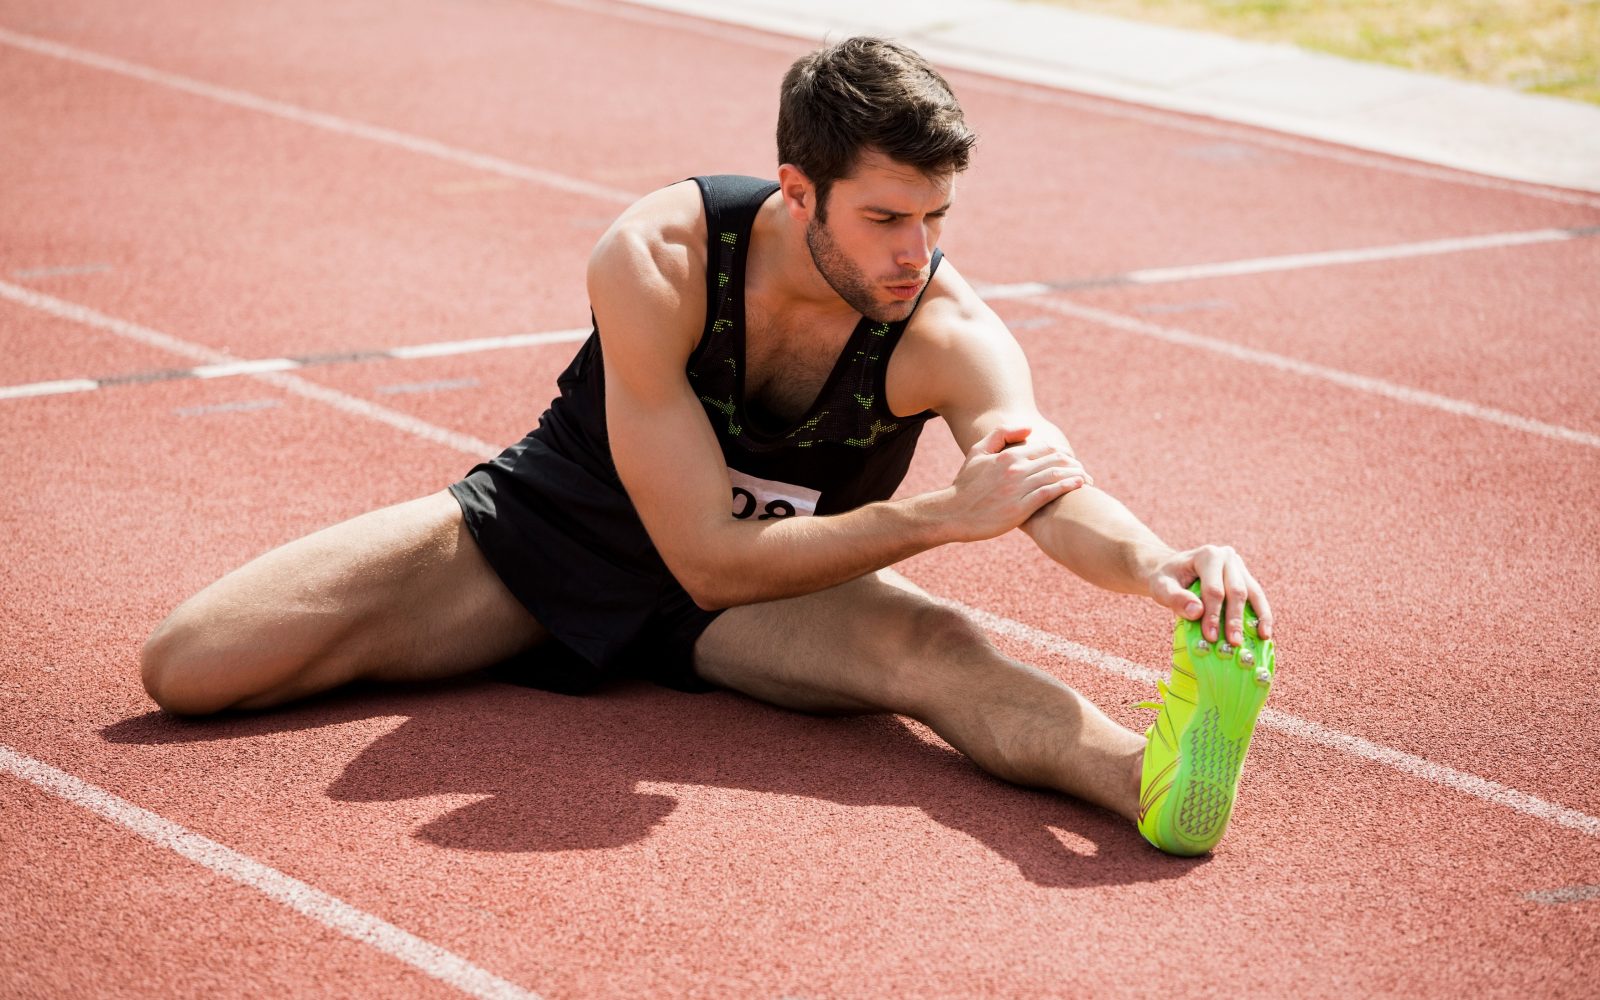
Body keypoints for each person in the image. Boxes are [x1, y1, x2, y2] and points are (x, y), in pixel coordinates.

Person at [140, 37, 1276, 856]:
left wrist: (1159, 564)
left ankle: (1150, 778)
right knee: (192, 665)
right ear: (798, 190)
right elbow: (702, 553)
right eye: (885, 218)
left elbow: (1046, 486)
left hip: (764, 590)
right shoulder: (659, 259)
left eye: (936, 218)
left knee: (939, 649)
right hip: (558, 530)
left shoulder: (944, 329)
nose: (915, 254)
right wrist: (935, 518)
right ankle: (497, 636)